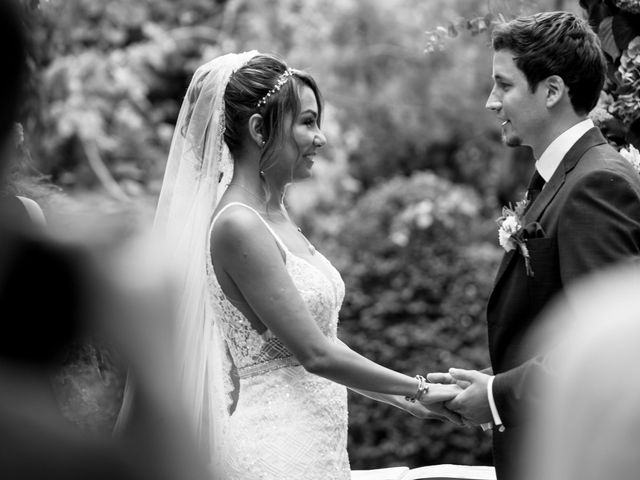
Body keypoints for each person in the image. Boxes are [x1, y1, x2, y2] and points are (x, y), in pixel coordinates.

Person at [152, 51, 462, 479]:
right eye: (307, 122)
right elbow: (315, 354)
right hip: (278, 451)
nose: (321, 138)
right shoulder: (238, 225)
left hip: (319, 447)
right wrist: (421, 388)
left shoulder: (275, 217)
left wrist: (407, 401)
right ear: (259, 129)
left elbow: (321, 343)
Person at [427, 11, 640, 480]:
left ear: (551, 91)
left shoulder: (596, 184)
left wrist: (495, 398)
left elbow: (610, 352)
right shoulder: (563, 178)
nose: (490, 102)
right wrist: (493, 381)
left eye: (503, 85)